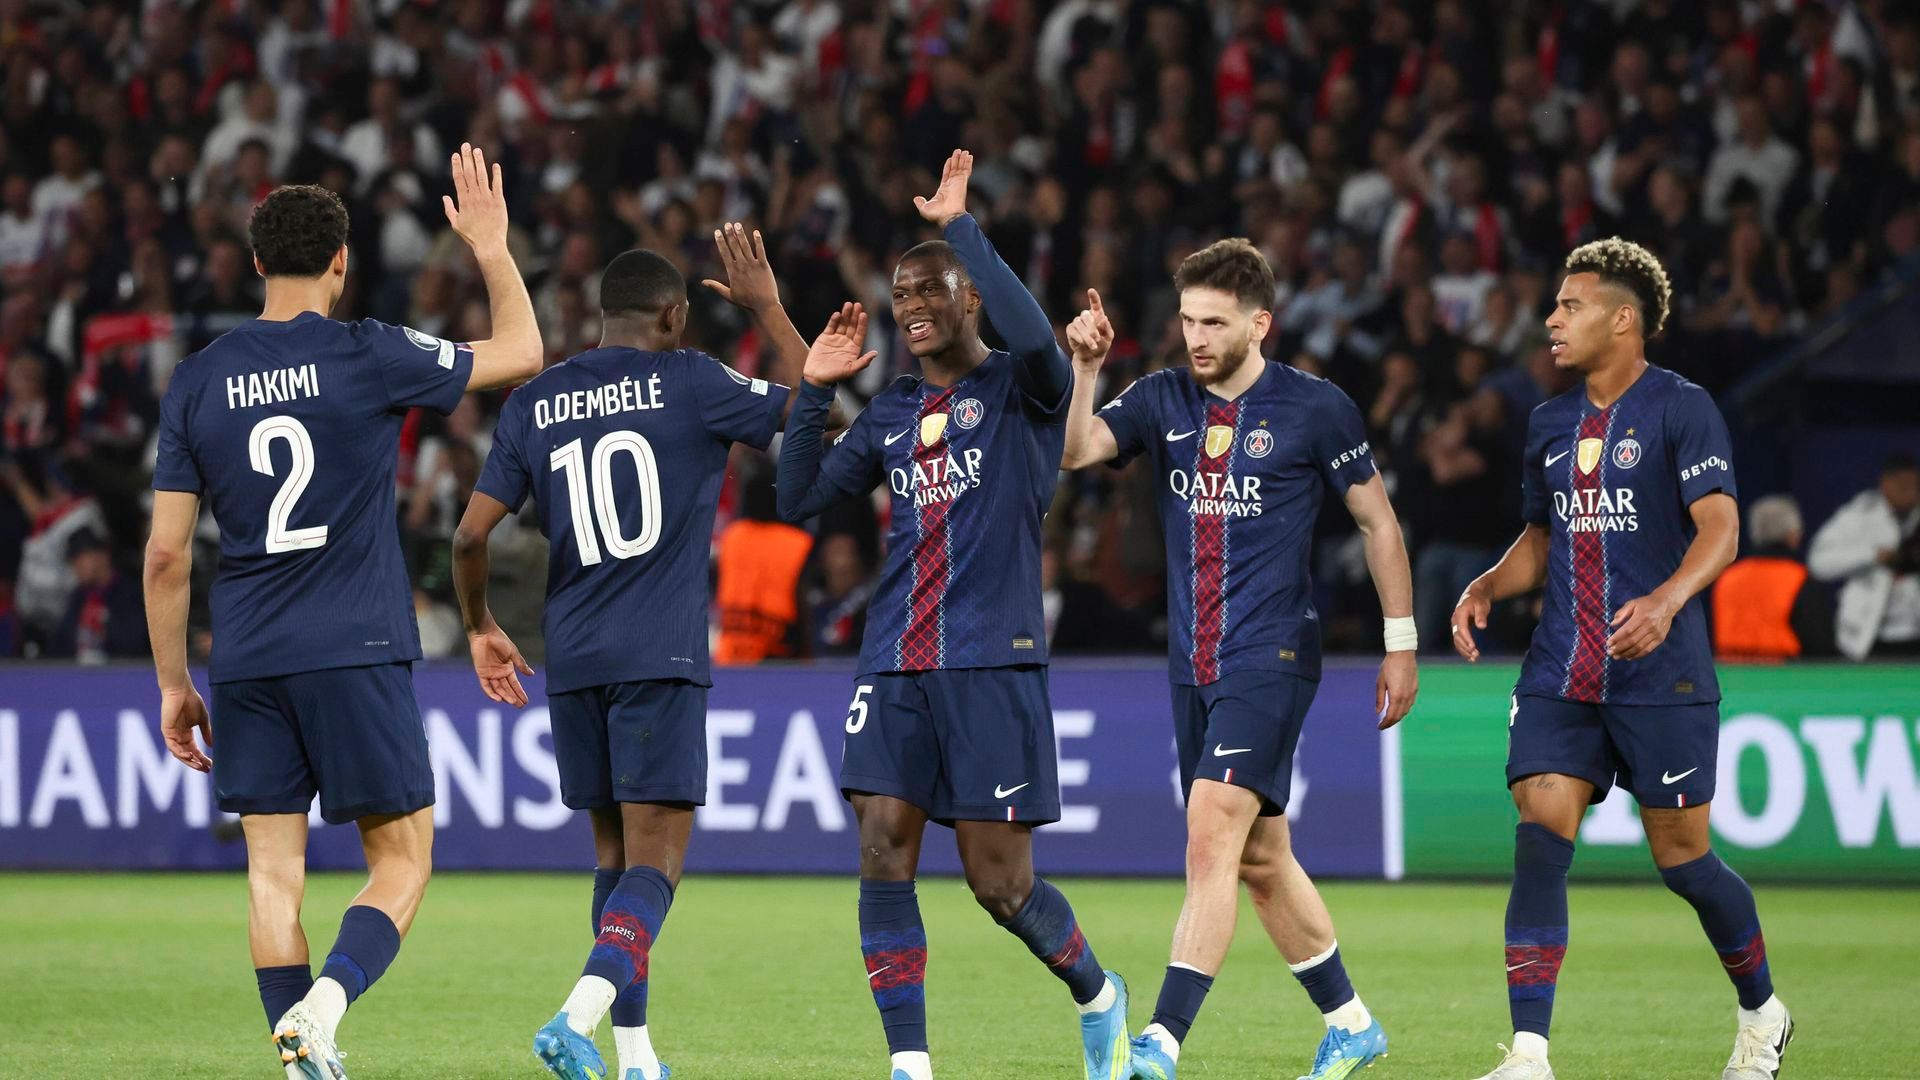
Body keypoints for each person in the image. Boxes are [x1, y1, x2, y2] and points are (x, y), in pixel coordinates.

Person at [144, 145, 541, 1077]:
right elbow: (522, 352)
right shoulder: (370, 351)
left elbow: (166, 554)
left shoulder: (198, 379)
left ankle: (296, 1059)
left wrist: (173, 681)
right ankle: (322, 1013)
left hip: (245, 656)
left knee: (272, 875)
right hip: (355, 644)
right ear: (340, 262)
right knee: (403, 861)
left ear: (253, 265)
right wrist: (489, 244)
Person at [775, 150, 1130, 1080]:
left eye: (931, 287)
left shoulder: (1023, 389)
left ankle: (1098, 992)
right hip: (894, 661)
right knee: (882, 847)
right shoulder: (891, 410)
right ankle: (911, 1064)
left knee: (998, 885)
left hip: (991, 661)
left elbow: (1038, 341)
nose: (913, 303)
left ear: (971, 299)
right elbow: (799, 495)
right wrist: (813, 391)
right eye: (902, 292)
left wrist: (962, 228)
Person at [449, 224, 818, 1080]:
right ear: (675, 316)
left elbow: (468, 537)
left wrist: (479, 625)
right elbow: (812, 406)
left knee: (612, 862)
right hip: (660, 654)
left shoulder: (536, 401)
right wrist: (765, 305)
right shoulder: (692, 381)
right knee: (658, 864)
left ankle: (637, 1056)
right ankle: (577, 1017)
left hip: (574, 659)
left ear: (603, 315)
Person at [1056, 240, 1415, 1080]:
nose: (1196, 337)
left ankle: (1161, 1041)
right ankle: (1352, 1025)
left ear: (1261, 323)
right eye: (1186, 320)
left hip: (1275, 651)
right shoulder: (1162, 397)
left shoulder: (1316, 409)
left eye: (1214, 322)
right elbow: (1077, 452)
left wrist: (1401, 645)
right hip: (1194, 662)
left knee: (1213, 831)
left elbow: (1379, 524)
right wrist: (1085, 370)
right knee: (1258, 859)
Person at [1450, 238, 1791, 1080]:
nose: (1551, 319)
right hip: (1563, 667)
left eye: (1570, 305)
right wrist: (1491, 583)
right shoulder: (1548, 422)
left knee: (1682, 858)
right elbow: (1542, 536)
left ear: (1623, 318)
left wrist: (1669, 600)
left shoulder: (1683, 408)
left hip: (1659, 670)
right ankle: (1530, 1052)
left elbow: (1722, 528)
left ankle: (1763, 1011)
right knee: (1542, 823)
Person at [1806, 452, 1920, 660]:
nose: (1911, 494)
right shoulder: (1860, 515)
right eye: (1903, 487)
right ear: (1885, 483)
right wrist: (1873, 556)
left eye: (1916, 488)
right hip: (1867, 636)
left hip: (1914, 632)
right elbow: (1818, 562)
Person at [1711, 495, 1832, 660]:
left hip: (1729, 677)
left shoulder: (1727, 577)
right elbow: (1819, 646)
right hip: (1785, 678)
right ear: (1793, 535)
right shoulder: (1800, 580)